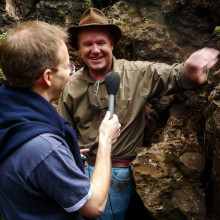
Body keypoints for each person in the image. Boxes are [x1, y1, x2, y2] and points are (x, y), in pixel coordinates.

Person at [57, 7, 220, 220]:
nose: (95, 50)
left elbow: (175, 76)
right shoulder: (71, 86)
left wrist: (190, 70)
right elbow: (61, 130)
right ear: (79, 48)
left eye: (101, 43)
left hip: (120, 173)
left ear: (112, 44)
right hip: (81, 171)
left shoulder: (136, 73)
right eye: (87, 44)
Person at [0, 20, 121, 220]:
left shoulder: (10, 115)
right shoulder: (45, 149)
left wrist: (63, 155)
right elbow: (95, 205)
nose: (70, 72)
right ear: (48, 77)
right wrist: (106, 140)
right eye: (68, 66)